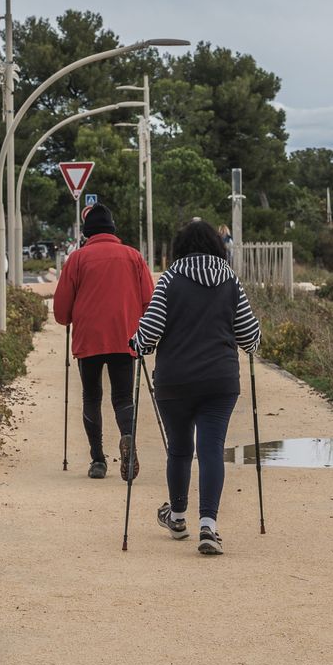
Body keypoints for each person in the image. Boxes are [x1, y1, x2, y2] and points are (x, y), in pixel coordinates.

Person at [130, 220, 261, 555]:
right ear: (217, 246)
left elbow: (150, 329)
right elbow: (249, 334)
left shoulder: (171, 278)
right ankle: (208, 526)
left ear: (181, 247)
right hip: (220, 380)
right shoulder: (230, 279)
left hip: (176, 380)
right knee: (211, 449)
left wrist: (138, 343)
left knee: (179, 449)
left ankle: (176, 517)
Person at [53, 204, 154, 480]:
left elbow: (62, 310)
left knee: (91, 397)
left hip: (89, 339)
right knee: (122, 397)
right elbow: (150, 301)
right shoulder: (134, 257)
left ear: (87, 232)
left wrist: (67, 319)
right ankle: (127, 436)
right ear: (112, 229)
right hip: (126, 337)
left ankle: (98, 460)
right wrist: (144, 331)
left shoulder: (76, 260)